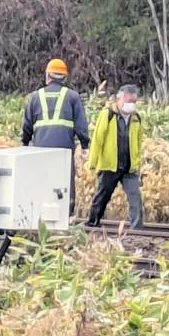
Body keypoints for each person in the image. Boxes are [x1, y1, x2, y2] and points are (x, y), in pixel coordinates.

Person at [21, 58, 90, 217]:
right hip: (64, 148)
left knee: (42, 180)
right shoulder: (72, 97)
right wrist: (85, 145)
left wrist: (24, 143)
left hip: (40, 148)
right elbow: (80, 125)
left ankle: (40, 214)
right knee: (65, 182)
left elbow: (27, 125)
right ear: (64, 78)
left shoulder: (35, 97)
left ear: (48, 76)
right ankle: (66, 215)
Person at [86, 84, 143, 228]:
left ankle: (137, 229)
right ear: (120, 98)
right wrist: (92, 162)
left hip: (129, 167)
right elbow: (98, 139)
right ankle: (92, 223)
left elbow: (138, 142)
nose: (131, 105)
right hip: (110, 165)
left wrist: (137, 163)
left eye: (134, 102)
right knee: (102, 197)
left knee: (135, 197)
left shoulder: (136, 118)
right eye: (128, 101)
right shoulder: (108, 114)